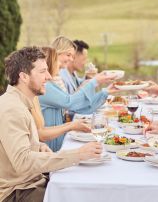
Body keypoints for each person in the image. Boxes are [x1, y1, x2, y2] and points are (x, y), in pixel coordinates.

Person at [0, 47, 103, 202]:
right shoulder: (12, 109)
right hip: (18, 192)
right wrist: (78, 154)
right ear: (24, 77)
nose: (48, 77)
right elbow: (22, 162)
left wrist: (38, 147)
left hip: (31, 182)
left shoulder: (20, 103)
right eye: (42, 72)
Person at [39, 36, 116, 151]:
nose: (71, 60)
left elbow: (77, 105)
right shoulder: (46, 86)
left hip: (57, 140)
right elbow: (70, 102)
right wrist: (94, 82)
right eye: (68, 55)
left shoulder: (52, 82)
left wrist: (105, 92)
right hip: (50, 146)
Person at [31, 47, 91, 145]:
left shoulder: (50, 83)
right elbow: (68, 102)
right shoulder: (46, 87)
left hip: (54, 139)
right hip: (50, 144)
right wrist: (96, 83)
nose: (60, 65)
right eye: (57, 61)